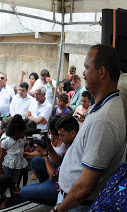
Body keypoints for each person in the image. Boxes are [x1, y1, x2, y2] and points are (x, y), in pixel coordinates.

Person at [54, 44, 126, 212]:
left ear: (101, 72)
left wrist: (58, 210)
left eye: (87, 67)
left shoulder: (104, 120)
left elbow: (84, 187)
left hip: (76, 205)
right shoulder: (102, 105)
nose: (83, 73)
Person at [20, 115, 79, 206]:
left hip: (60, 185)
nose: (60, 138)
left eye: (62, 135)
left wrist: (45, 154)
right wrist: (49, 147)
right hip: (57, 174)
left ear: (72, 133)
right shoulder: (72, 143)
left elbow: (53, 176)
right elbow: (58, 161)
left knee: (23, 191)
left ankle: (52, 199)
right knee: (36, 161)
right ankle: (45, 189)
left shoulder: (73, 151)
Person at [0, 115, 27, 185]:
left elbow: (22, 150)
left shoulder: (23, 140)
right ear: (16, 132)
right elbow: (1, 156)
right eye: (23, 131)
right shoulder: (6, 141)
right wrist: (0, 168)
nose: (24, 133)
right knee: (6, 181)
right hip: (8, 166)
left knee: (15, 180)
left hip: (18, 165)